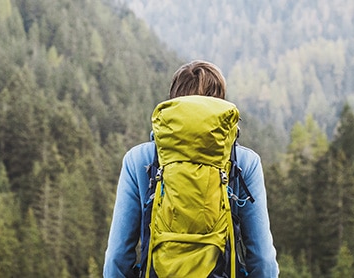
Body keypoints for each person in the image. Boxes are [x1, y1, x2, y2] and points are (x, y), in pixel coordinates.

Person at [103, 60, 279, 278]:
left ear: (173, 103)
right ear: (220, 105)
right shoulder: (245, 162)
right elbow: (263, 261)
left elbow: (117, 258)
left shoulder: (138, 159)